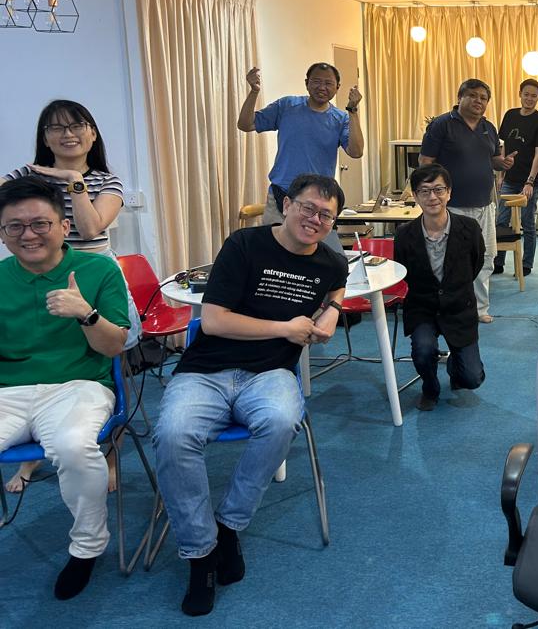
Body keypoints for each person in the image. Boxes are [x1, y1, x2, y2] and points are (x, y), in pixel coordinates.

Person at [152, 174, 348, 616]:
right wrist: (286, 328)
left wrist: (332, 310)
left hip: (270, 373)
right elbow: (216, 321)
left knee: (281, 422)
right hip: (207, 369)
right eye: (307, 207)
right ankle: (199, 553)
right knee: (173, 434)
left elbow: (338, 284)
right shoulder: (244, 245)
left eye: (326, 215)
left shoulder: (332, 263)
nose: (315, 220)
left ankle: (228, 526)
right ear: (285, 203)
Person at [0, 175, 130, 600]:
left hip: (80, 385)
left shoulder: (98, 269)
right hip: (9, 392)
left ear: (61, 225)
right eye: (14, 227)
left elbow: (114, 346)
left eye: (39, 224)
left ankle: (87, 547)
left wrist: (86, 314)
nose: (28, 235)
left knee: (75, 447)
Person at [3, 99, 141, 494]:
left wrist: (69, 178)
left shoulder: (105, 181)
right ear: (44, 137)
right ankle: (31, 456)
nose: (67, 134)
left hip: (92, 275)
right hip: (36, 272)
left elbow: (91, 226)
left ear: (92, 133)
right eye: (56, 128)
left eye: (77, 125)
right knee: (37, 358)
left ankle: (109, 452)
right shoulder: (26, 176)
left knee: (111, 355)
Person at [237, 63, 363, 255]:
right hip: (282, 194)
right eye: (316, 82)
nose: (322, 87)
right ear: (306, 83)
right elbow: (246, 124)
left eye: (328, 83)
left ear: (337, 87)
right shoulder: (287, 106)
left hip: (319, 200)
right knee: (272, 254)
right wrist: (254, 92)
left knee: (333, 257)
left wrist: (352, 111)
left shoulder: (340, 118)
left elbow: (356, 151)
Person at [393, 164, 486, 411]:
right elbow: (403, 272)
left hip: (459, 307)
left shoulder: (469, 228)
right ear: (415, 196)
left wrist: (453, 288)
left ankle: (455, 364)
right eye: (424, 191)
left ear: (449, 193)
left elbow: (475, 264)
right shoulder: (404, 235)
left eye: (438, 189)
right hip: (423, 307)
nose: (432, 197)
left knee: (471, 378)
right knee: (423, 351)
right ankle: (430, 386)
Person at [419, 78, 508, 324]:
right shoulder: (442, 125)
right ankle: (452, 307)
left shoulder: (489, 128)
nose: (478, 101)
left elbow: (490, 159)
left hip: (485, 204)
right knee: (452, 260)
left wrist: (501, 163)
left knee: (486, 257)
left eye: (483, 97)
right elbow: (426, 162)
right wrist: (431, 196)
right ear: (460, 97)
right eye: (473, 95)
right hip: (453, 206)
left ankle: (479, 308)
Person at [493, 78, 538, 277]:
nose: (529, 98)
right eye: (526, 94)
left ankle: (526, 264)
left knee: (527, 223)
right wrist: (501, 174)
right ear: (520, 94)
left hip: (528, 181)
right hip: (509, 178)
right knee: (501, 221)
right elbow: (504, 147)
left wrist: (530, 181)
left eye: (534, 96)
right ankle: (498, 261)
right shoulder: (510, 115)